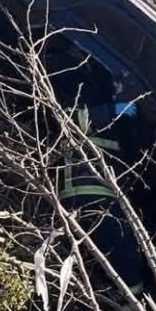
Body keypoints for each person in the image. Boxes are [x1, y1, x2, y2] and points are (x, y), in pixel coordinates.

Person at [50, 49, 147, 296]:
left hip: (104, 192)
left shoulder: (123, 115)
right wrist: (111, 110)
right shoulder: (79, 85)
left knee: (117, 250)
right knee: (120, 247)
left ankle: (124, 305)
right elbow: (68, 121)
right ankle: (133, 307)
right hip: (83, 187)